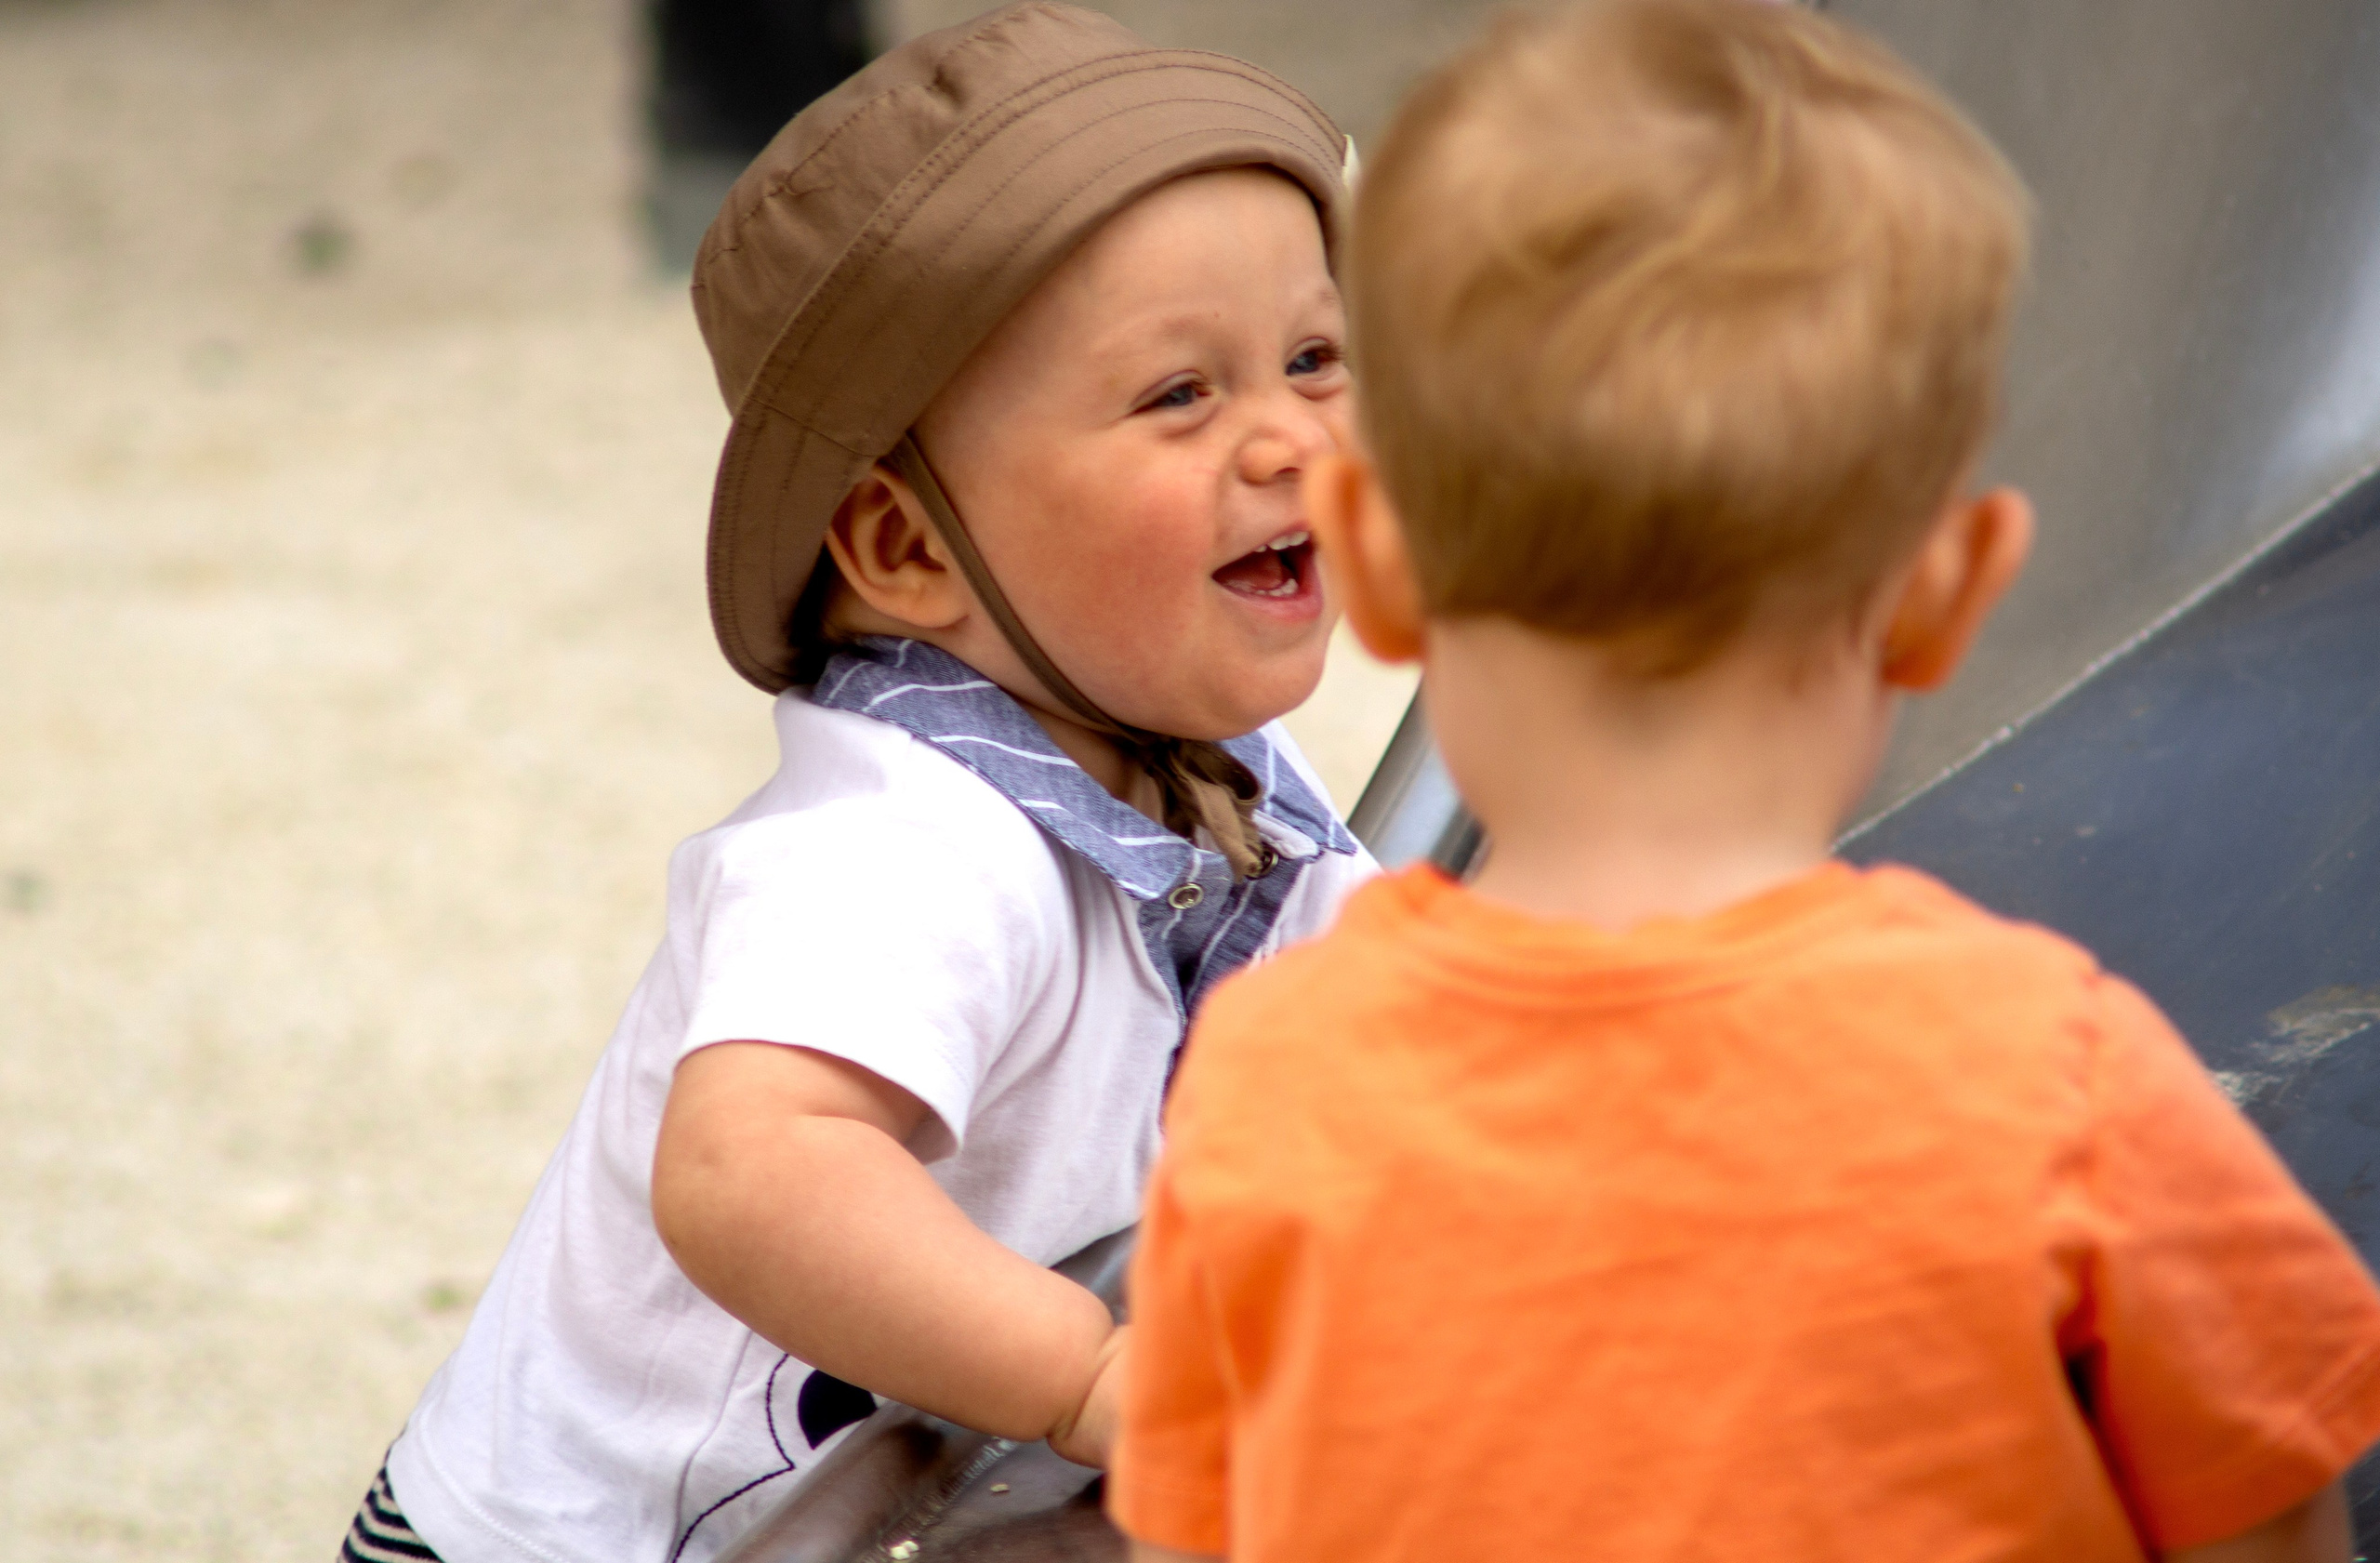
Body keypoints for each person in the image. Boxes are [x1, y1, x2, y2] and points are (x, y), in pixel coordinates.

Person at [1106, 2, 2380, 1560]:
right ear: (1946, 590)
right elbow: (2278, 1525)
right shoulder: (2063, 1084)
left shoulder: (1262, 1092)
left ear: (1368, 557)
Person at [339, 7, 1372, 1561]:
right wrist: (1091, 1368)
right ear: (904, 550)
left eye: (1312, 358)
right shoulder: (901, 844)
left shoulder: (1218, 769)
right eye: (1181, 394)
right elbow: (753, 1168)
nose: (1290, 434)